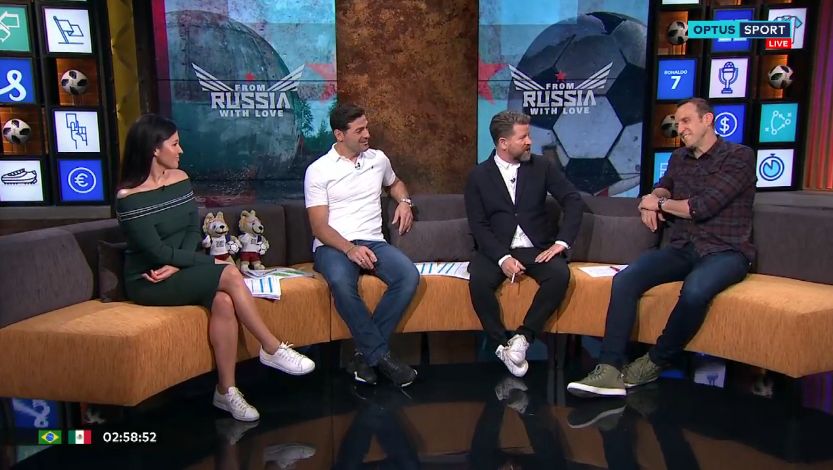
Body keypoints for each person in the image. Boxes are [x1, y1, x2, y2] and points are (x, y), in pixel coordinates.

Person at [115, 114, 315, 422]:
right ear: (155, 149)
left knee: (223, 301)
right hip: (149, 280)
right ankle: (271, 347)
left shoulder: (180, 179)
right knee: (228, 271)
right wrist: (202, 261)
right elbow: (154, 252)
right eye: (175, 144)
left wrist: (177, 263)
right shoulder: (129, 198)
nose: (180, 150)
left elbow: (191, 231)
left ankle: (226, 391)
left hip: (177, 268)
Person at [567, 97, 756, 398]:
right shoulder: (680, 157)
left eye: (686, 121)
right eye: (677, 123)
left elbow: (701, 207)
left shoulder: (739, 157)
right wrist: (651, 200)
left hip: (726, 251)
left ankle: (656, 360)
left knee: (695, 291)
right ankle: (609, 368)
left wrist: (659, 203)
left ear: (708, 120)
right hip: (684, 247)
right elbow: (664, 185)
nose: (680, 129)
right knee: (626, 279)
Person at [304, 103, 420, 387]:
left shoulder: (378, 159)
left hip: (373, 241)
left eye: (367, 127)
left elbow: (395, 183)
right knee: (342, 284)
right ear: (339, 135)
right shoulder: (318, 171)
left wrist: (404, 202)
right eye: (359, 130)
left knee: (408, 276)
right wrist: (349, 249)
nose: (367, 134)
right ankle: (381, 357)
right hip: (333, 245)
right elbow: (319, 227)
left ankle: (363, 356)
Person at [465, 110, 583, 377]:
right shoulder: (478, 176)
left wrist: (562, 242)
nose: (530, 141)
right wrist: (502, 258)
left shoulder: (542, 166)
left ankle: (523, 337)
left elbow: (572, 199)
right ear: (503, 143)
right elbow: (478, 224)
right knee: (478, 282)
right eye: (523, 137)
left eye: (528, 135)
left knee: (559, 274)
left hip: (537, 247)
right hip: (497, 248)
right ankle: (500, 346)